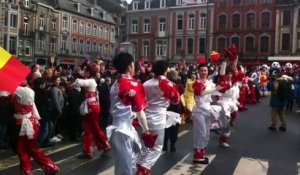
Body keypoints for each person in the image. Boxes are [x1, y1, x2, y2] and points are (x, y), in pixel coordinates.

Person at [106, 53, 150, 175]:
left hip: (118, 128)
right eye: (133, 64)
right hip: (124, 131)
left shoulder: (115, 84)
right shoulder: (133, 84)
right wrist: (146, 129)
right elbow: (140, 112)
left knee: (125, 164)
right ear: (129, 67)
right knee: (126, 167)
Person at [136, 61, 180, 174]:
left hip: (145, 116)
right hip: (158, 118)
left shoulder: (146, 84)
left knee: (146, 145)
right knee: (156, 147)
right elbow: (176, 101)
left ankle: (138, 166)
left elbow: (141, 100)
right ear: (165, 70)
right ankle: (144, 168)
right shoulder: (168, 83)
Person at [13, 83, 58, 175]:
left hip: (23, 125)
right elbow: (35, 112)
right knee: (27, 149)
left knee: (25, 150)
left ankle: (48, 166)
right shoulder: (28, 92)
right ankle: (28, 171)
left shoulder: (21, 92)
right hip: (29, 123)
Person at [71, 66, 110, 159]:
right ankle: (88, 151)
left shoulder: (91, 81)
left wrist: (73, 82)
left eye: (84, 71)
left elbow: (80, 82)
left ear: (88, 72)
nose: (83, 73)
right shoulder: (91, 81)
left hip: (91, 106)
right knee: (87, 129)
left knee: (95, 127)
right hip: (90, 106)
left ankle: (106, 145)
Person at [192, 63, 222, 164]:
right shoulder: (197, 82)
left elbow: (216, 91)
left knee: (206, 134)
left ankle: (201, 153)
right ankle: (197, 156)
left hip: (208, 110)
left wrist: (221, 88)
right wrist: (215, 89)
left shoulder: (209, 82)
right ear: (198, 71)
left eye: (205, 70)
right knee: (201, 133)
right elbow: (200, 93)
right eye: (202, 70)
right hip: (199, 110)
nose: (204, 72)